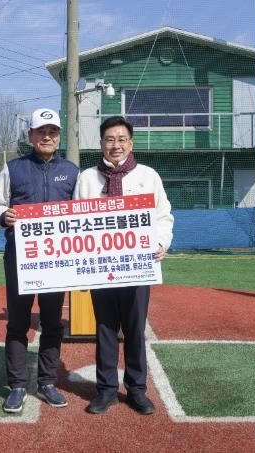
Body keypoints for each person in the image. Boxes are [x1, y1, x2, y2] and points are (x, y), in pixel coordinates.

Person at [73, 115, 173, 415]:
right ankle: (106, 390)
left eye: (121, 139)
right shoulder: (87, 178)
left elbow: (163, 216)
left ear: (131, 143)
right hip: (101, 267)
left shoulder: (148, 176)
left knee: (134, 329)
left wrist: (160, 244)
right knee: (105, 329)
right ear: (101, 143)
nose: (115, 145)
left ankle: (137, 389)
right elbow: (76, 221)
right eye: (109, 139)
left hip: (138, 267)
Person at [0, 108, 79, 413]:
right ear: (31, 136)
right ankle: (17, 385)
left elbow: (82, 212)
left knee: (52, 322)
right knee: (18, 322)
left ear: (59, 136)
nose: (47, 137)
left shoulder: (73, 172)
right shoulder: (13, 169)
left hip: (57, 260)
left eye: (52, 132)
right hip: (20, 258)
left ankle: (47, 382)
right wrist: (4, 215)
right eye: (41, 131)